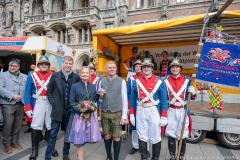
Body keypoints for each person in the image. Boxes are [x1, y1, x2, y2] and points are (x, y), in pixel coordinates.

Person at [130, 58, 168, 160]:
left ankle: (155, 158)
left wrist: (164, 116)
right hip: (140, 110)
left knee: (155, 136)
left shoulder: (159, 82)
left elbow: (164, 100)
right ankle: (144, 157)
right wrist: (132, 114)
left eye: (149, 67)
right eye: (144, 67)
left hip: (153, 110)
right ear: (142, 69)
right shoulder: (136, 82)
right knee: (141, 135)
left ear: (152, 69)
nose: (146, 69)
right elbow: (132, 99)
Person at [45, 56, 80, 160]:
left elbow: (78, 92)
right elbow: (49, 91)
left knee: (67, 135)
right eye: (66, 63)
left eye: (70, 64)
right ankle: (47, 157)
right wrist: (54, 103)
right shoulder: (55, 75)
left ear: (72, 65)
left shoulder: (76, 77)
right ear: (63, 64)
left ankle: (65, 155)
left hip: (70, 111)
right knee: (52, 135)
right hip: (57, 110)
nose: (68, 65)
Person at [24, 54, 58, 160]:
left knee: (50, 125)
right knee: (35, 126)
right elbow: (26, 93)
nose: (44, 65)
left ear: (48, 65)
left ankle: (51, 147)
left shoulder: (53, 76)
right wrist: (28, 107)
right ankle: (35, 149)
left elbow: (56, 92)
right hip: (37, 103)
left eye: (46, 64)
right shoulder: (32, 76)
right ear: (39, 65)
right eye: (42, 64)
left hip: (50, 103)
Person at [65, 66, 102, 160]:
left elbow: (93, 100)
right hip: (78, 117)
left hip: (89, 117)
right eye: (83, 73)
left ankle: (79, 157)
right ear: (80, 74)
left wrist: (99, 95)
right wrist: (80, 110)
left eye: (87, 73)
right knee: (79, 141)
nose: (85, 74)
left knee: (85, 139)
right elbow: (71, 102)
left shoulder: (92, 86)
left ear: (90, 74)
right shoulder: (75, 86)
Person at [163, 58, 196, 160]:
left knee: (183, 134)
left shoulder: (187, 81)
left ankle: (181, 156)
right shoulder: (165, 81)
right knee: (171, 133)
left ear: (180, 69)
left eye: (177, 67)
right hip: (171, 110)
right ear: (170, 69)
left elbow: (192, 97)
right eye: (173, 67)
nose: (174, 69)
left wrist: (193, 93)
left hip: (183, 110)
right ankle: (172, 155)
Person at [99, 61, 128, 160]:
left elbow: (124, 99)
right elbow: (99, 97)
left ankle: (116, 158)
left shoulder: (122, 81)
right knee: (106, 136)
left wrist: (124, 116)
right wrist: (100, 96)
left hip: (117, 113)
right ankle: (109, 157)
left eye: (113, 67)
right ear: (107, 69)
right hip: (104, 113)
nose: (111, 69)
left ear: (116, 69)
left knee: (116, 137)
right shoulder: (102, 80)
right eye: (110, 67)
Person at [0, 59, 27, 154]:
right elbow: (0, 88)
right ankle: (6, 143)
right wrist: (13, 96)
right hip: (8, 104)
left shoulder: (25, 76)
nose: (12, 67)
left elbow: (27, 89)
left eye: (15, 66)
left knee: (18, 124)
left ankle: (14, 142)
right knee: (8, 124)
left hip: (20, 104)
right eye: (11, 65)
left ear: (19, 67)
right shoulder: (3, 75)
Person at [127, 59, 143, 155]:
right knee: (134, 126)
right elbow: (128, 93)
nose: (138, 68)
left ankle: (144, 147)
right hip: (134, 105)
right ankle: (135, 146)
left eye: (139, 66)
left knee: (144, 126)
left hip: (143, 105)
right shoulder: (131, 79)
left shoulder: (145, 77)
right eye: (136, 66)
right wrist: (129, 106)